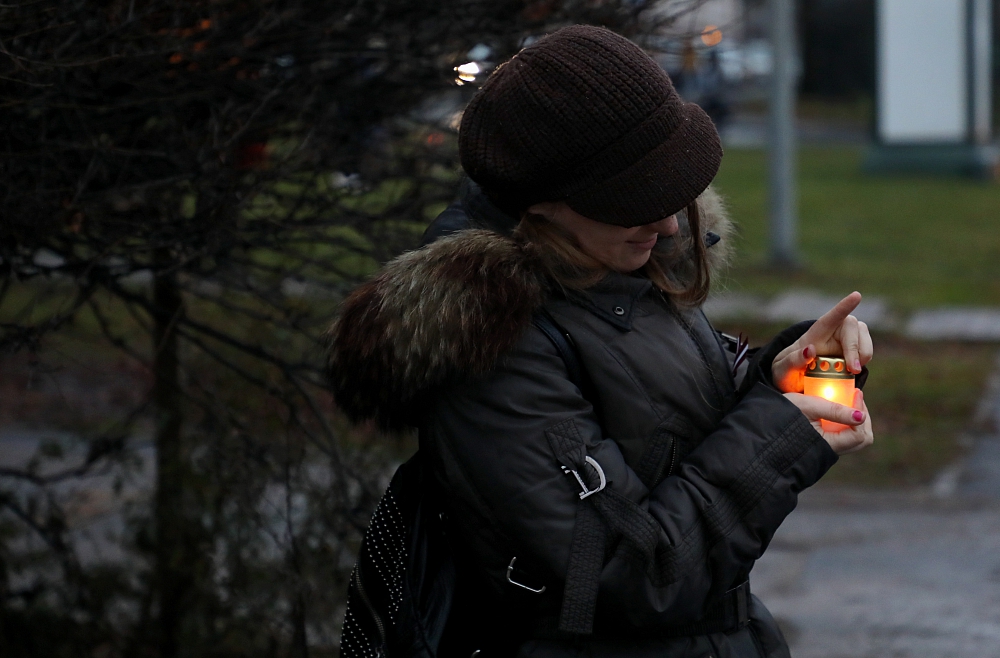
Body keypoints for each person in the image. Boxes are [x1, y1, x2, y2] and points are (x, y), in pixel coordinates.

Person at [327, 25, 873, 658]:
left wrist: (787, 379)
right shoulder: (496, 347)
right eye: (634, 199)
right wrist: (780, 436)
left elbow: (667, 438)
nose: (669, 222)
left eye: (668, 191)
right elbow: (632, 575)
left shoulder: (619, 274)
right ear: (543, 202)